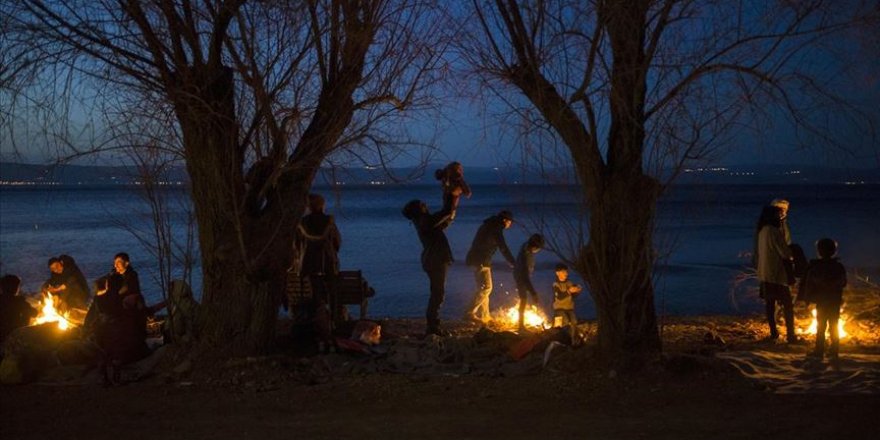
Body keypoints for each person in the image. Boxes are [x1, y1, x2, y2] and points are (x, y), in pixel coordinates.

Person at [87, 253, 150, 385]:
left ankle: (109, 375)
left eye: (119, 263)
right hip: (114, 325)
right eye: (115, 263)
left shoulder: (131, 276)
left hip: (113, 323)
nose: (116, 266)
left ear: (126, 263)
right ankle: (111, 375)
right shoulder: (113, 276)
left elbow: (132, 292)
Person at [402, 199, 454, 337]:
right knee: (438, 294)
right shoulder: (424, 221)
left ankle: (433, 325)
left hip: (432, 260)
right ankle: (432, 327)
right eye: (422, 205)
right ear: (418, 209)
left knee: (437, 293)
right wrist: (451, 196)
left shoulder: (424, 222)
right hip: (435, 261)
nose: (425, 205)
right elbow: (445, 213)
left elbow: (444, 220)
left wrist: (451, 210)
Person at [296, 193, 342, 350]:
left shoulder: (303, 223)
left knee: (315, 299)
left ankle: (319, 331)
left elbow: (297, 245)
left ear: (308, 206)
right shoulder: (329, 222)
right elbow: (337, 242)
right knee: (331, 295)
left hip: (309, 266)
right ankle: (331, 328)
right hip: (328, 265)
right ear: (322, 205)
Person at [755, 205, 798, 343]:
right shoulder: (774, 231)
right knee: (788, 305)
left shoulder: (762, 231)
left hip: (765, 272)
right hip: (776, 274)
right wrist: (793, 255)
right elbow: (784, 253)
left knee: (770, 303)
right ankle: (791, 335)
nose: (781, 218)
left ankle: (774, 333)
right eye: (779, 215)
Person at [464, 210, 516, 324]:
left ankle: (485, 316)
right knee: (487, 288)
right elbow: (503, 247)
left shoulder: (489, 225)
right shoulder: (496, 228)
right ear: (505, 220)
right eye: (510, 222)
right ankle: (469, 313)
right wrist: (513, 262)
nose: (510, 224)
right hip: (481, 260)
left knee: (483, 289)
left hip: (476, 259)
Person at [800, 238, 847, 361]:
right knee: (833, 325)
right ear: (834, 251)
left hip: (822, 302)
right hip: (834, 301)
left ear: (819, 251)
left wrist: (807, 298)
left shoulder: (816, 267)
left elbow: (810, 283)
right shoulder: (838, 266)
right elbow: (843, 282)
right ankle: (834, 351)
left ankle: (819, 351)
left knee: (821, 326)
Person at [514, 233, 544, 333]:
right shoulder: (526, 256)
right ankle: (521, 326)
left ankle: (521, 325)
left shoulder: (525, 247)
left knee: (524, 299)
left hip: (519, 274)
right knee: (523, 300)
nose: (539, 251)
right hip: (520, 277)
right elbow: (525, 277)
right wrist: (533, 293)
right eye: (539, 248)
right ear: (535, 247)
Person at [0, 274, 38, 344]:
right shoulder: (19, 302)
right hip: (13, 335)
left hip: (1, 335)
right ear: (16, 288)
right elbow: (34, 313)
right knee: (27, 312)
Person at [552, 264, 582, 344]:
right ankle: (561, 341)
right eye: (563, 272)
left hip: (569, 308)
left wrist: (577, 291)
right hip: (559, 309)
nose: (566, 274)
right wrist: (569, 291)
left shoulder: (569, 283)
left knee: (574, 322)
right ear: (557, 273)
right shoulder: (556, 284)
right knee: (563, 322)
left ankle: (574, 341)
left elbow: (573, 296)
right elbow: (559, 297)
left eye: (566, 272)